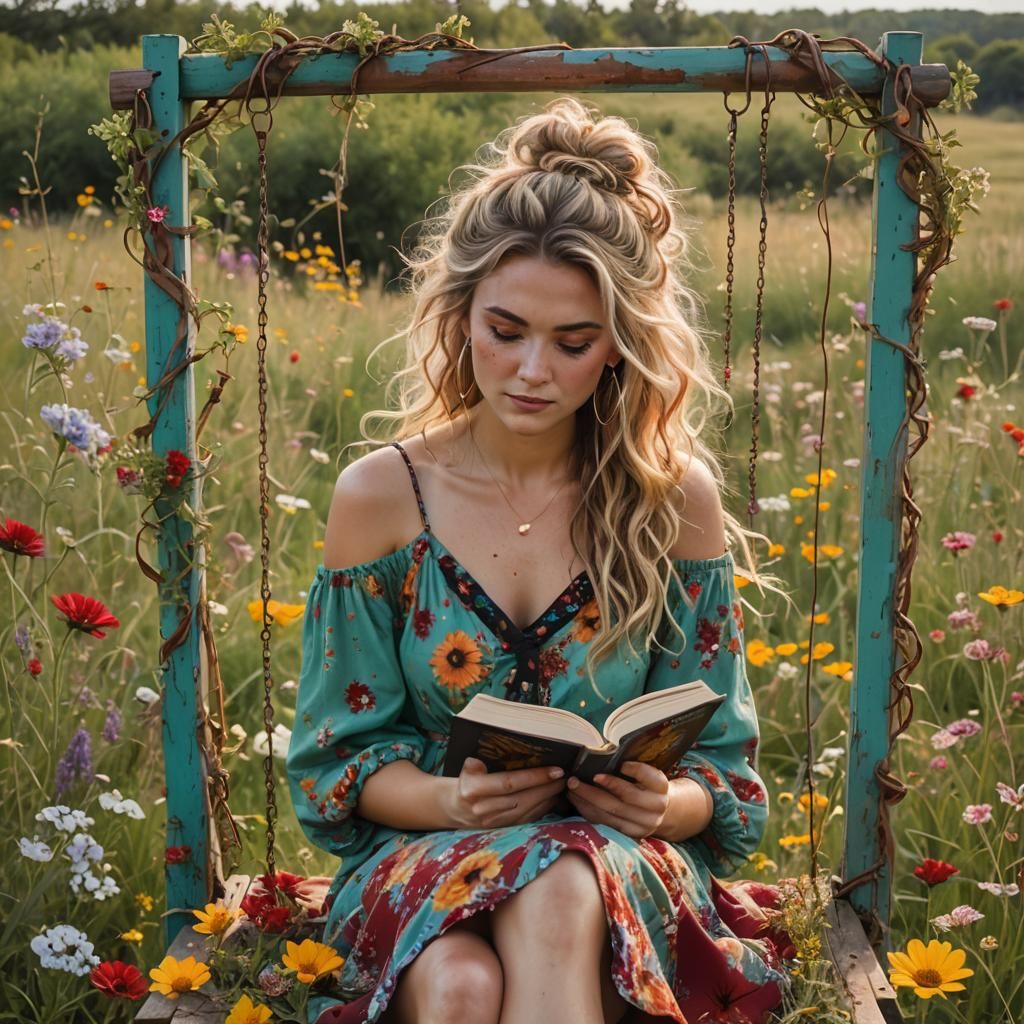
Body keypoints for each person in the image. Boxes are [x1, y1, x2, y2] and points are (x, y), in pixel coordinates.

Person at [286, 96, 791, 1024]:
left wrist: (661, 808)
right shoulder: (383, 495)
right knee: (458, 981)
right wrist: (453, 801)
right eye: (506, 330)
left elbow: (723, 774)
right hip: (426, 859)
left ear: (620, 350)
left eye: (573, 342)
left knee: (561, 885)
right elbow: (335, 766)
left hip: (620, 872)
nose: (530, 371)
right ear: (460, 314)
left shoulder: (670, 501)